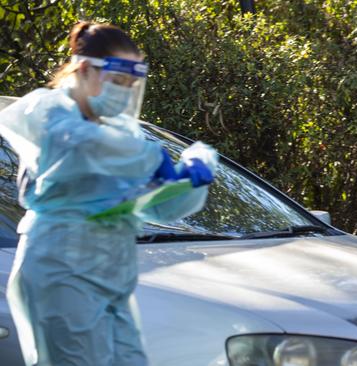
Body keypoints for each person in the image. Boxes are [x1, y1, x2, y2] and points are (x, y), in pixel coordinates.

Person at [0, 21, 216, 365]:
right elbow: (81, 147)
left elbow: (156, 207)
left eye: (131, 84)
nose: (125, 91)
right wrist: (148, 156)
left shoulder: (118, 133)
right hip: (59, 268)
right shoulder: (49, 111)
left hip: (111, 274)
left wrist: (191, 180)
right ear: (84, 69)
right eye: (118, 81)